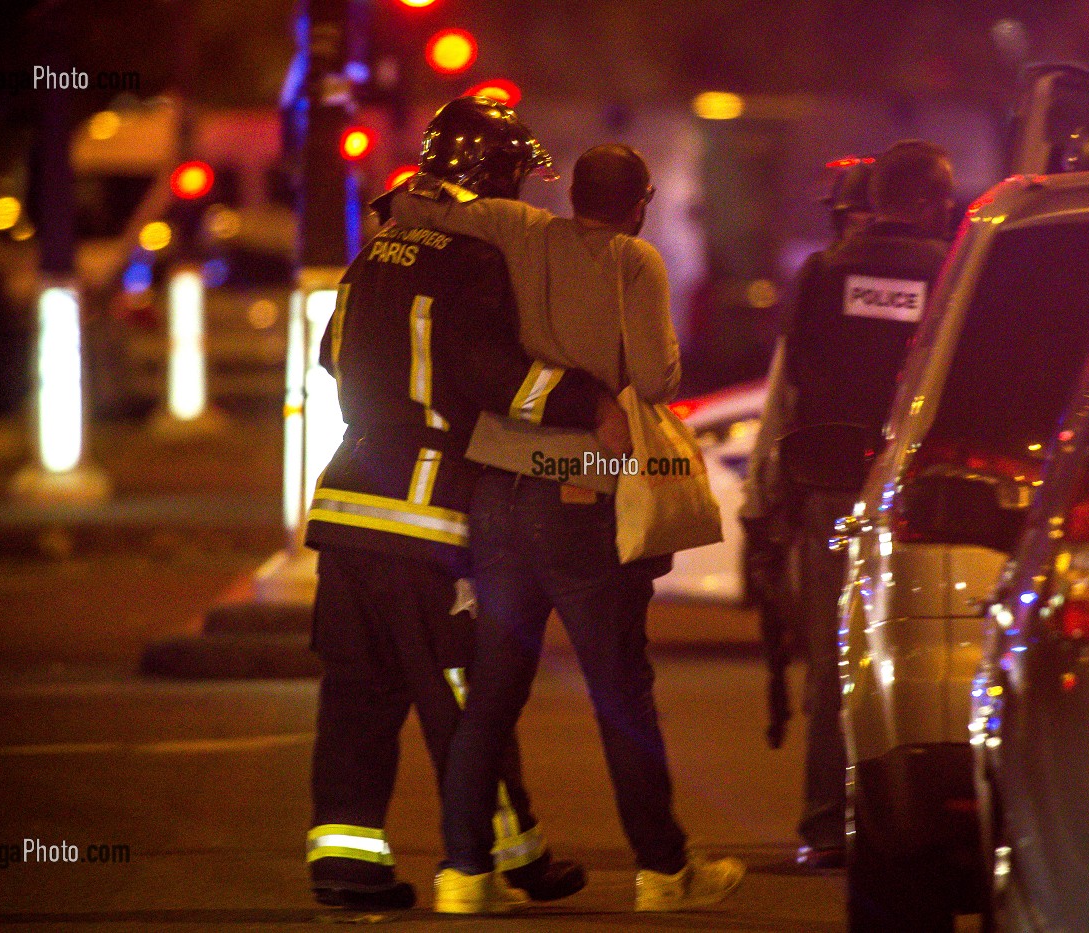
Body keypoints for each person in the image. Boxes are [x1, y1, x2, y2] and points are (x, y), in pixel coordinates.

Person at [387, 139, 746, 914]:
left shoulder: (518, 228)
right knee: (620, 691)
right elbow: (655, 379)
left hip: (499, 486)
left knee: (491, 694)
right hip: (580, 484)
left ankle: (464, 873)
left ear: (573, 191)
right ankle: (663, 869)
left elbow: (420, 205)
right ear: (640, 201)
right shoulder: (633, 260)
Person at [302, 97, 626, 912]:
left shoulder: (374, 251)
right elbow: (493, 374)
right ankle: (515, 856)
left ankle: (346, 863)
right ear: (491, 180)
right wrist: (584, 397)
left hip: (346, 506)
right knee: (462, 695)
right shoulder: (470, 259)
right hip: (423, 519)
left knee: (355, 695)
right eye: (516, 180)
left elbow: (330, 353)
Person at [742, 141, 954, 871]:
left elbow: (791, 388)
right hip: (918, 492)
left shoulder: (823, 273)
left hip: (830, 490)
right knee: (926, 653)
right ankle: (917, 818)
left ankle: (827, 822)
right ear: (927, 201)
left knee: (838, 661)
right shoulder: (950, 274)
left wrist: (766, 501)